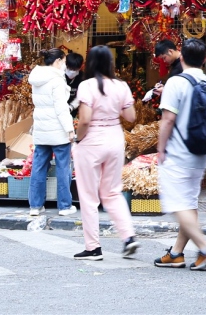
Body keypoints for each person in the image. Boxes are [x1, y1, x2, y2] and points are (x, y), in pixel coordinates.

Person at [154, 38, 206, 270]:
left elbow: (168, 120)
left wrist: (160, 149)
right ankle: (176, 253)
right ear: (205, 60)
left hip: (179, 152)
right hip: (200, 152)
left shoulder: (176, 83)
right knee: (188, 203)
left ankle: (205, 249)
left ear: (181, 57)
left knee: (176, 203)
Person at [72, 44, 140, 260]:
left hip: (91, 140)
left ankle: (93, 247)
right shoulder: (121, 86)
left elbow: (84, 120)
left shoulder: (86, 86)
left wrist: (78, 139)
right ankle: (128, 237)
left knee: (89, 196)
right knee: (112, 192)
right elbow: (131, 117)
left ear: (89, 63)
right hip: (115, 139)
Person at [28, 48, 77, 218]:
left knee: (39, 167)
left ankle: (35, 206)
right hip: (57, 131)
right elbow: (61, 108)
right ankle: (64, 206)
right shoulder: (56, 80)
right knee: (63, 167)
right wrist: (69, 129)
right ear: (57, 61)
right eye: (63, 61)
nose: (65, 65)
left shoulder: (37, 78)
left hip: (42, 130)